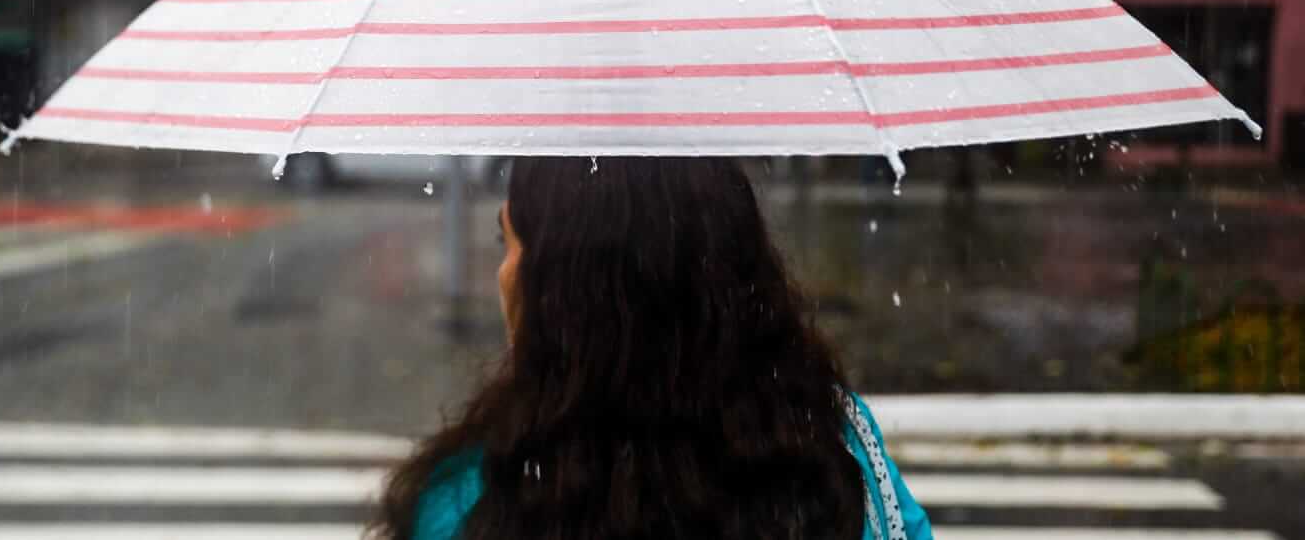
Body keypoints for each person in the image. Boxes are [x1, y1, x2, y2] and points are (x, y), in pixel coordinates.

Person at [371, 157, 931, 540]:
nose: (503, 273)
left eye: (510, 242)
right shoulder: (830, 450)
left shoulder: (477, 499)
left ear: (563, 288)